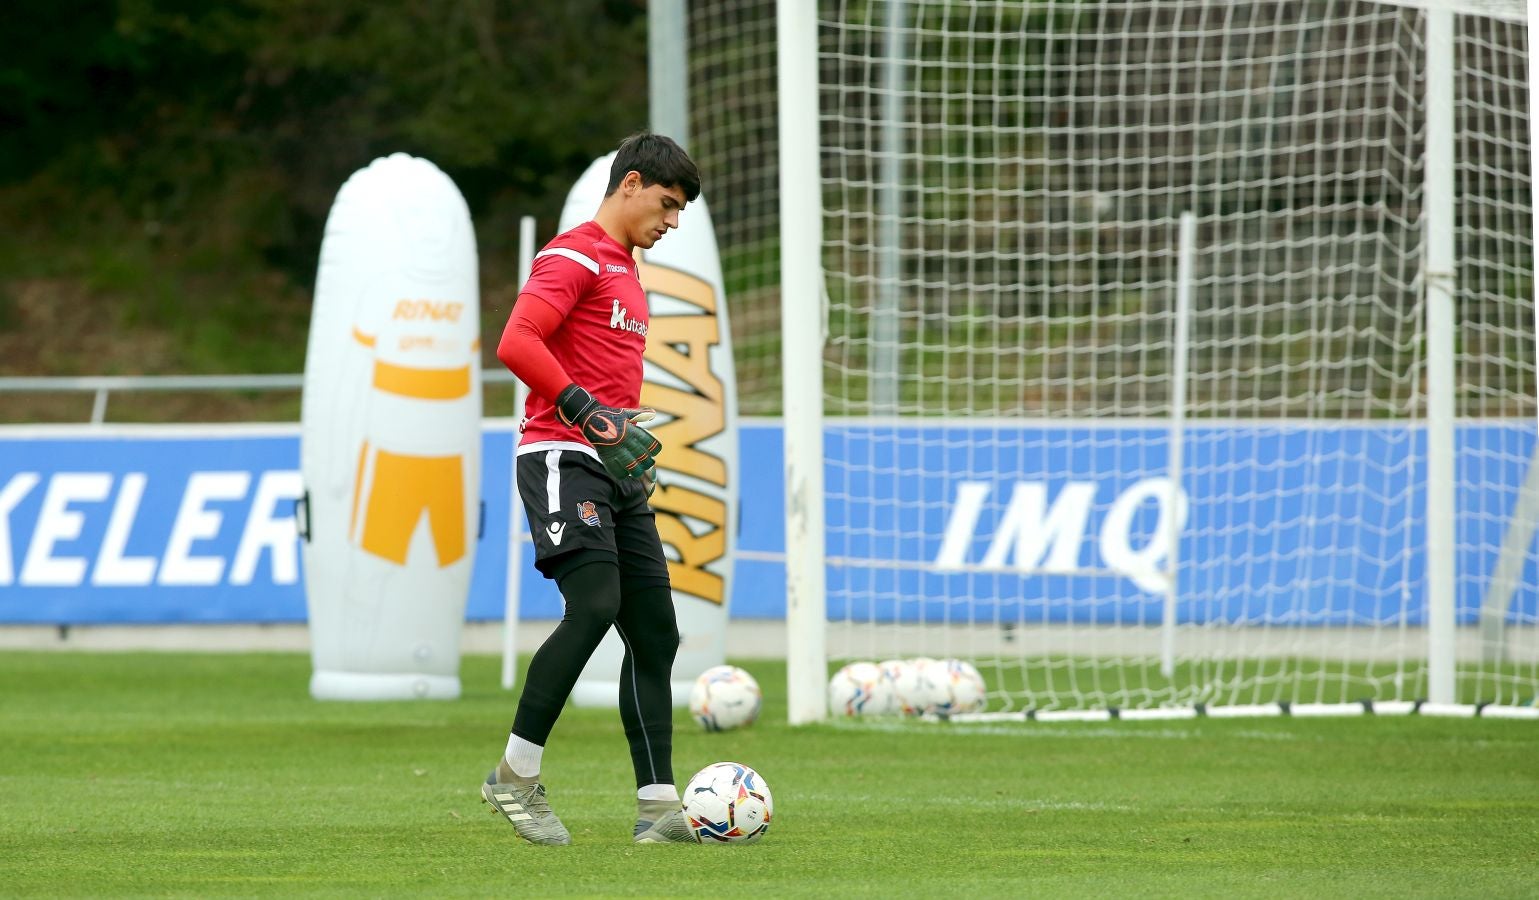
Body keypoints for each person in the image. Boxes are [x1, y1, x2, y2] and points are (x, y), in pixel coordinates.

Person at [484, 132, 702, 846]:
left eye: (679, 212)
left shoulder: (627, 270)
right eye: (666, 204)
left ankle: (659, 806)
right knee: (596, 604)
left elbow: (605, 380)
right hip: (559, 453)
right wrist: (588, 414)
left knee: (655, 632)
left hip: (612, 467)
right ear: (630, 183)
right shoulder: (573, 254)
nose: (670, 222)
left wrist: (623, 435)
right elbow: (517, 342)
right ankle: (514, 776)